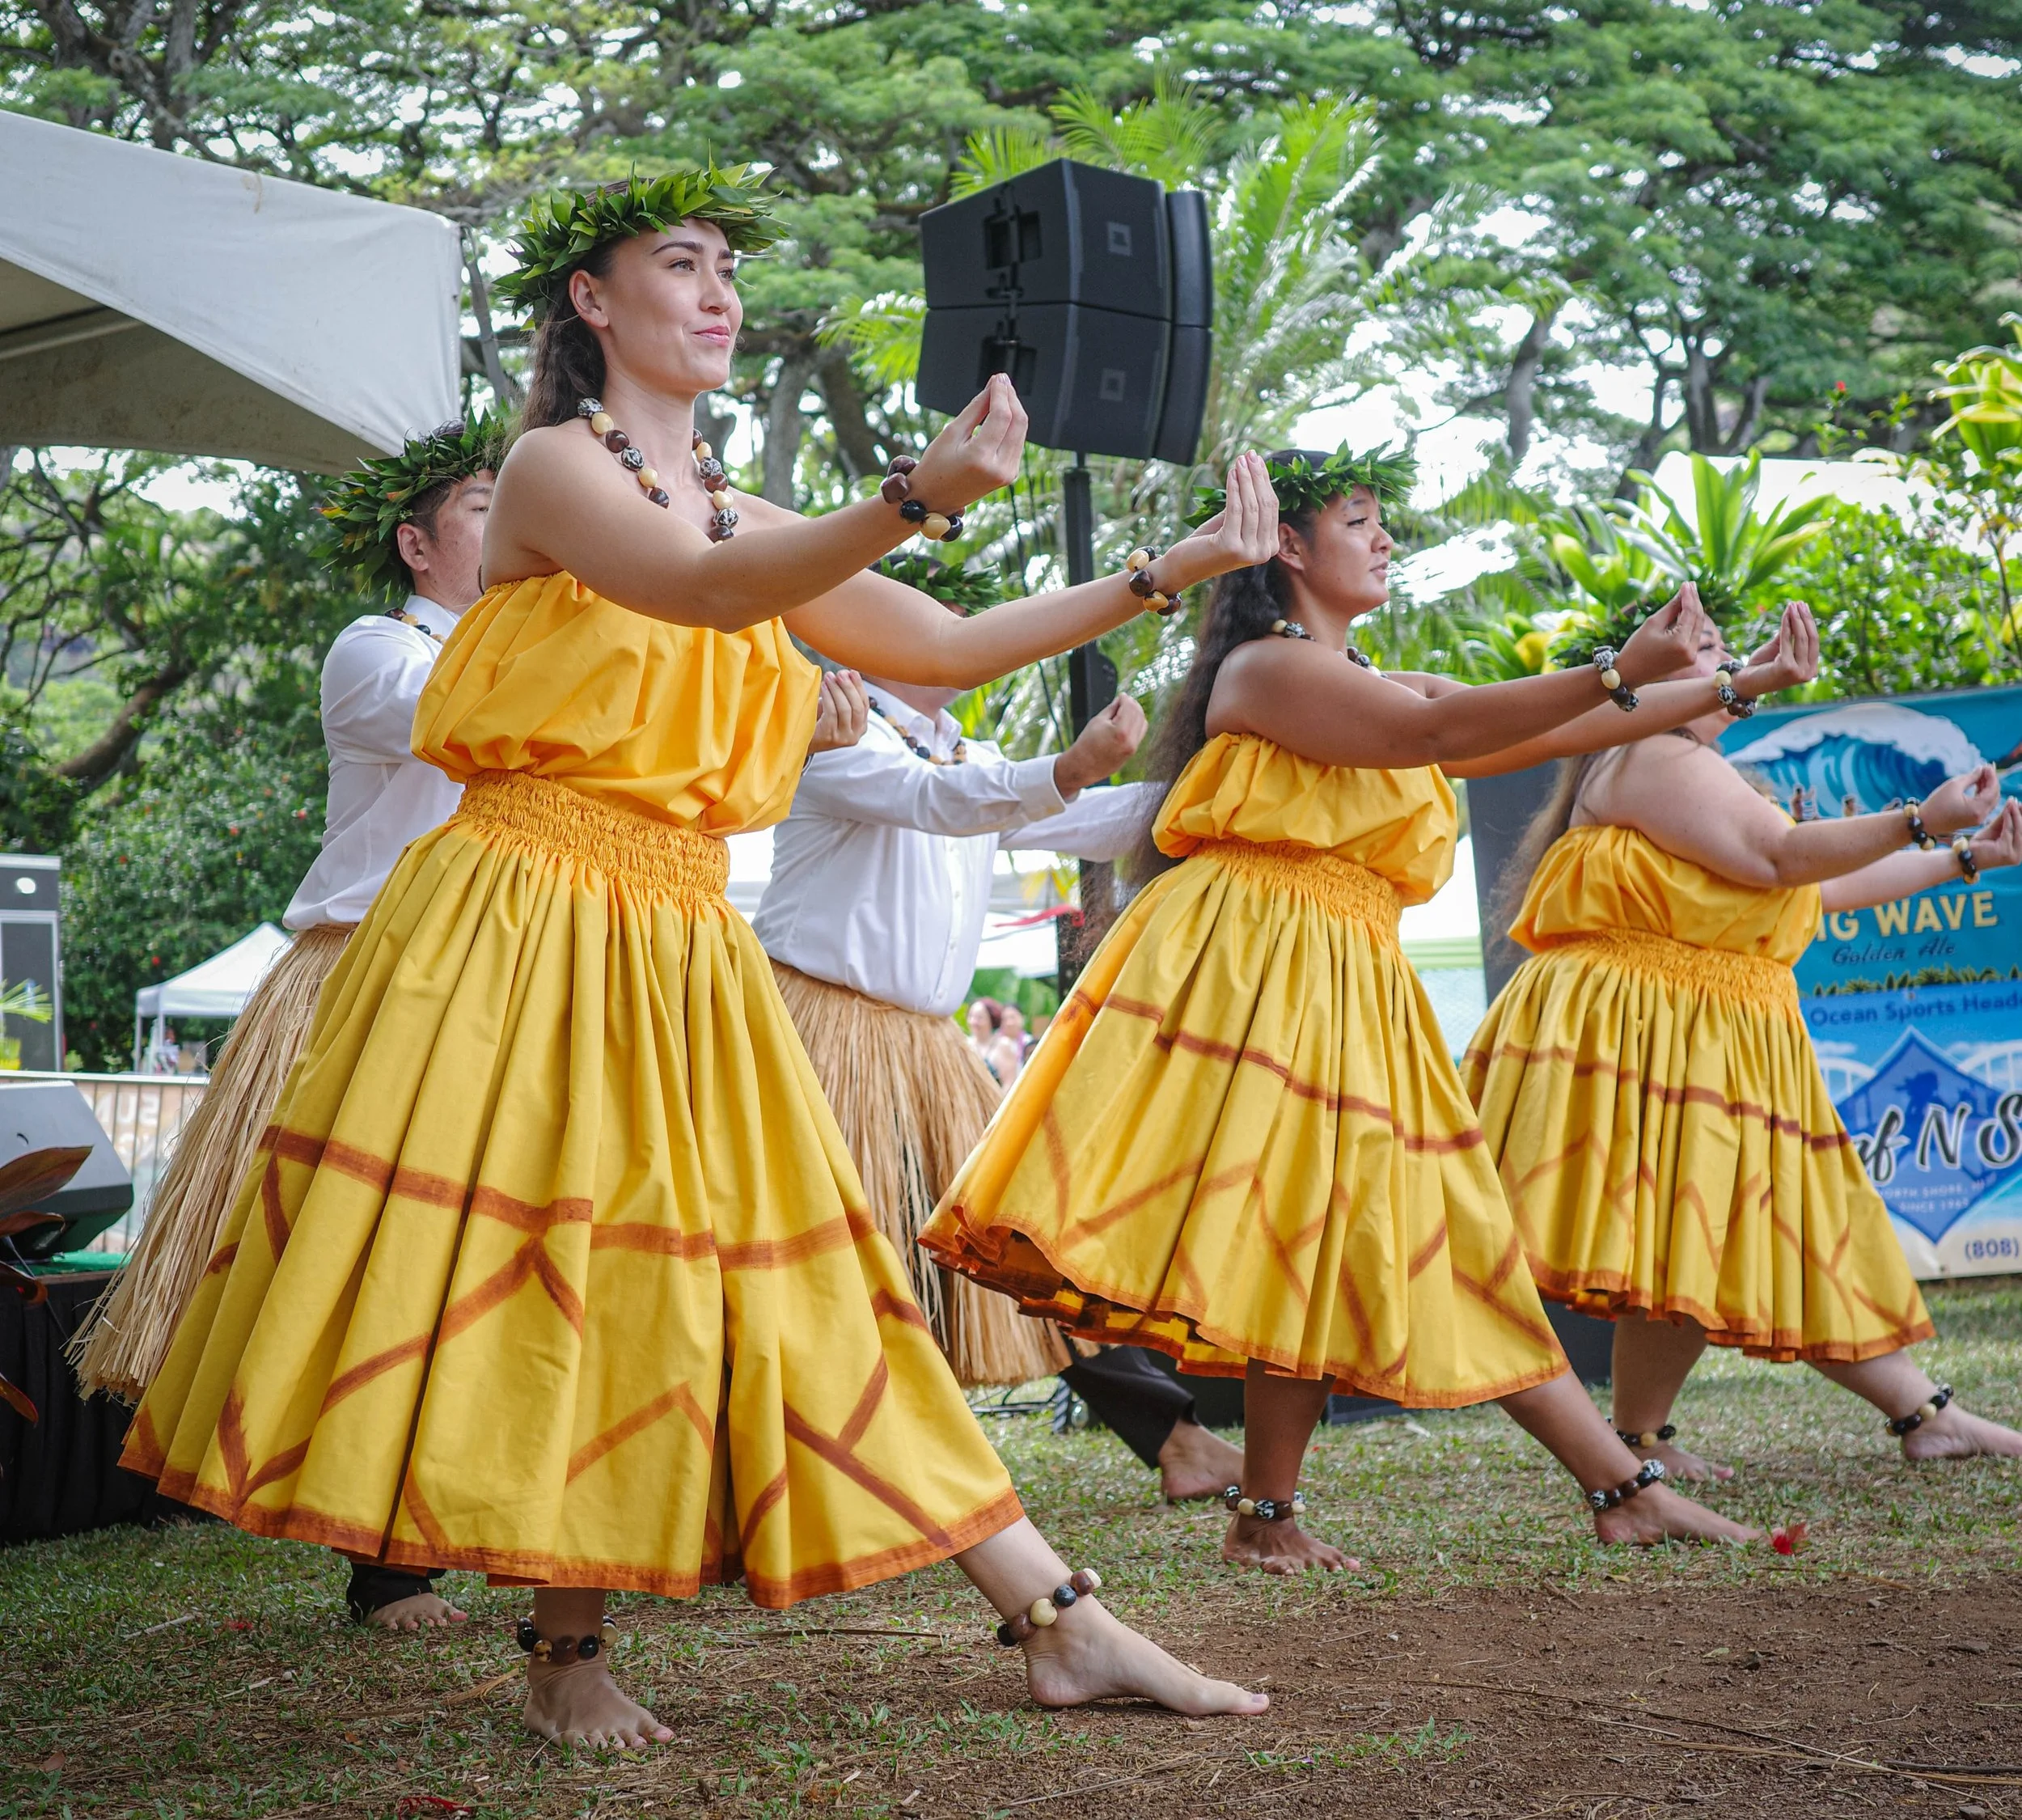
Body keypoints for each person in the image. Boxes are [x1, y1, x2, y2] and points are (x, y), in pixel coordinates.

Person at [119, 167, 1280, 1746]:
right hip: (526, 912)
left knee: (793, 1277)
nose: (719, 291)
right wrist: (916, 493)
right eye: (681, 263)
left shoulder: (743, 510)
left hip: (678, 934)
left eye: (730, 266)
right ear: (592, 301)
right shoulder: (551, 471)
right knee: (563, 1276)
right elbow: (701, 590)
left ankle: (1052, 1619)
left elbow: (938, 646)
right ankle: (583, 1655)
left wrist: (1171, 573)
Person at [924, 444, 1804, 1575]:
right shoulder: (1264, 670)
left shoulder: (1373, 676)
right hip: (1254, 963)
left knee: (1316, 1233)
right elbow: (1433, 737)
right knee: (1421, 1223)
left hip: (1337, 969)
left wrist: (1730, 688)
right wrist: (1618, 667)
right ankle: (1620, 1488)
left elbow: (1522, 732)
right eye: (1358, 519)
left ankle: (1270, 1516)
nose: (1385, 539)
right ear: (1288, 546)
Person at [1462, 624, 2022, 1479]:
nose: (1731, 664)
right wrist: (1922, 817)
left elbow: (1817, 886)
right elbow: (1780, 855)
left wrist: (1964, 856)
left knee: (1710, 1239)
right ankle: (1919, 1415)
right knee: (1725, 1231)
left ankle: (1651, 1438)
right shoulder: (1651, 753)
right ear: (1653, 671)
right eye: (1707, 651)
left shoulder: (1687, 767)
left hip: (1698, 1030)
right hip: (1650, 1029)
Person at [752, 602, 1244, 1492]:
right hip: (819, 1033)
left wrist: (1227, 783)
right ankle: (800, 1471)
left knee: (1014, 1232)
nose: (961, 630)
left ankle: (1178, 1440)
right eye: (931, 619)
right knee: (820, 1252)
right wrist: (1068, 767)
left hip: (925, 1047)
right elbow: (933, 802)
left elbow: (1088, 822)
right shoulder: (834, 731)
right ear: (875, 637)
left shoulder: (973, 759)